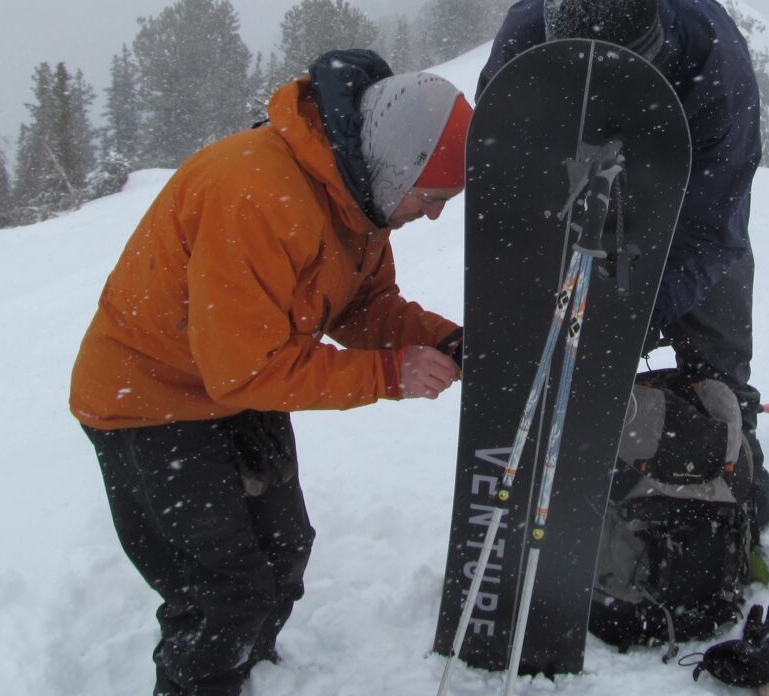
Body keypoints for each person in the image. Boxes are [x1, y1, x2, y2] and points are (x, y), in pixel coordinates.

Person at [70, 49, 471, 696]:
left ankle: (244, 670)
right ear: (399, 170)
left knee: (283, 552)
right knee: (222, 590)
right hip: (146, 400)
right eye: (431, 197)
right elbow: (247, 370)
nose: (433, 215)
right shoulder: (255, 194)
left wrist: (452, 342)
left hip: (237, 377)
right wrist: (388, 375)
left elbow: (365, 307)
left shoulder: (358, 193)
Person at [478, 0, 769, 600]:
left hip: (689, 212)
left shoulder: (714, 60)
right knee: (557, 370)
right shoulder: (525, 40)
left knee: (717, 375)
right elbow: (505, 175)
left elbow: (712, 227)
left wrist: (637, 317)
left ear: (656, 45)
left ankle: (745, 523)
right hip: (580, 198)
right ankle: (551, 513)